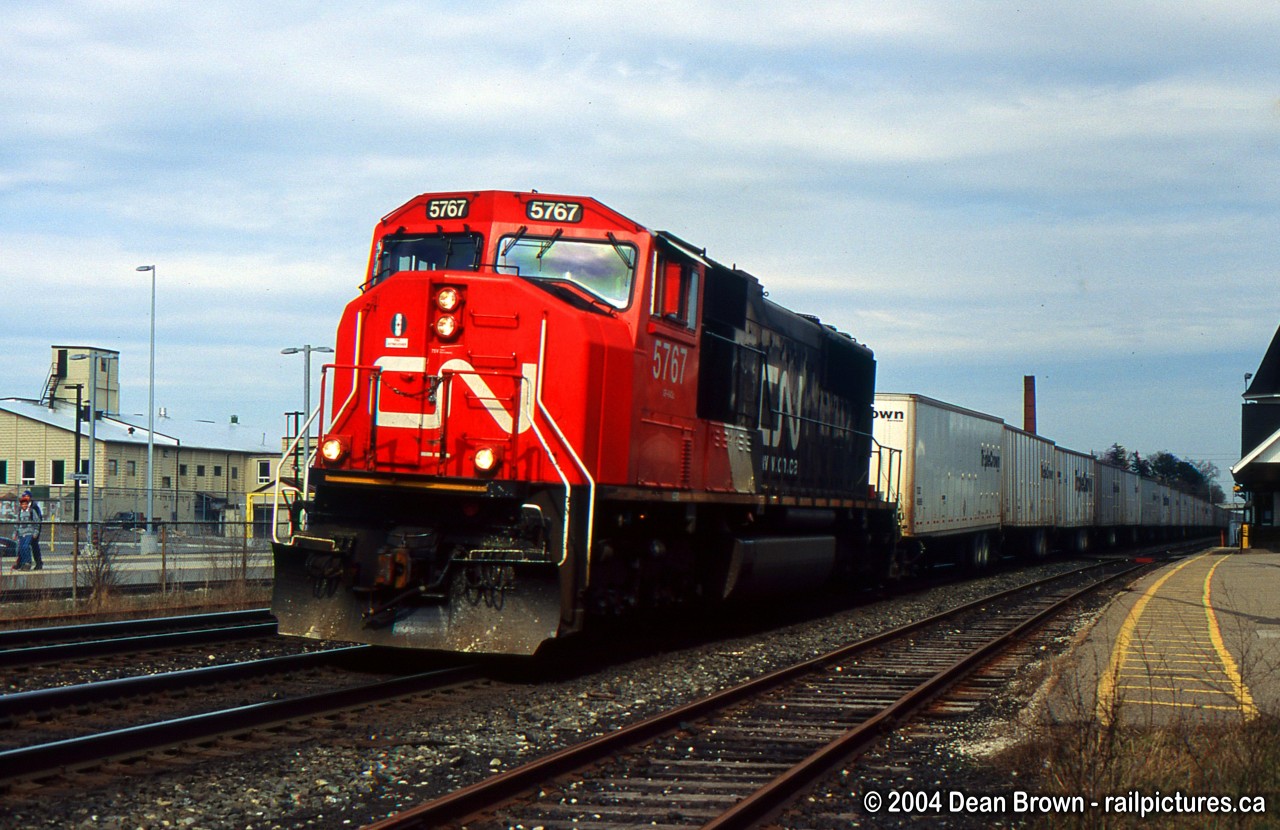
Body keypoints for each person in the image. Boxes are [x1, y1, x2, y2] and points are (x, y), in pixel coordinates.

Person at [14, 491, 42, 571]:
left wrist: (36, 532)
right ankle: (21, 563)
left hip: (31, 531)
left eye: (26, 496)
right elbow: (17, 523)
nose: (25, 498)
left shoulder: (34, 508)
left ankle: (35, 563)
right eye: (24, 496)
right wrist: (16, 533)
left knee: (32, 547)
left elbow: (38, 521)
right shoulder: (20, 511)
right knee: (21, 548)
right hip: (22, 532)